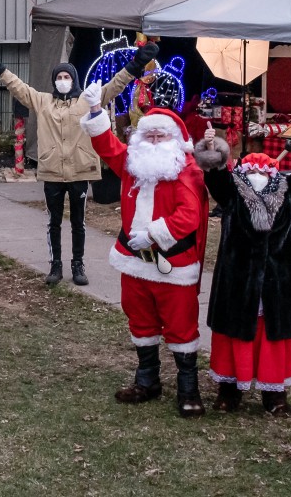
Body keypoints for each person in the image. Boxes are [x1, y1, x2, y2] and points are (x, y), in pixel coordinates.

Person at [78, 77, 210, 417]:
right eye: (148, 135)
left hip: (173, 263)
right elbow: (107, 147)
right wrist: (95, 110)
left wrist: (153, 233)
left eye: (160, 136)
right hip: (134, 263)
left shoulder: (187, 172)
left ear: (176, 141)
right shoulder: (133, 165)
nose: (153, 141)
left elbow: (189, 216)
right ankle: (147, 380)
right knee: (140, 319)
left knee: (181, 327)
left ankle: (188, 388)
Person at [195, 127, 291, 416]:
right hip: (238, 279)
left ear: (274, 175)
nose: (258, 176)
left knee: (274, 336)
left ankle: (274, 393)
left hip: (279, 279)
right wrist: (212, 149)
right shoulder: (233, 193)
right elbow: (215, 175)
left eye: (264, 173)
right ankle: (230, 389)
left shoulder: (287, 191)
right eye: (253, 173)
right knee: (235, 334)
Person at [0, 46, 101, 286]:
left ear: (74, 79)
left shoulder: (85, 101)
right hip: (52, 171)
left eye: (67, 77)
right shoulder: (43, 101)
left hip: (79, 171)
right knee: (53, 222)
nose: (63, 81)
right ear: (54, 81)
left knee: (78, 223)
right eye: (59, 77)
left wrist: (133, 67)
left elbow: (114, 86)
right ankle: (55, 265)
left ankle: (78, 264)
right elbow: (18, 87)